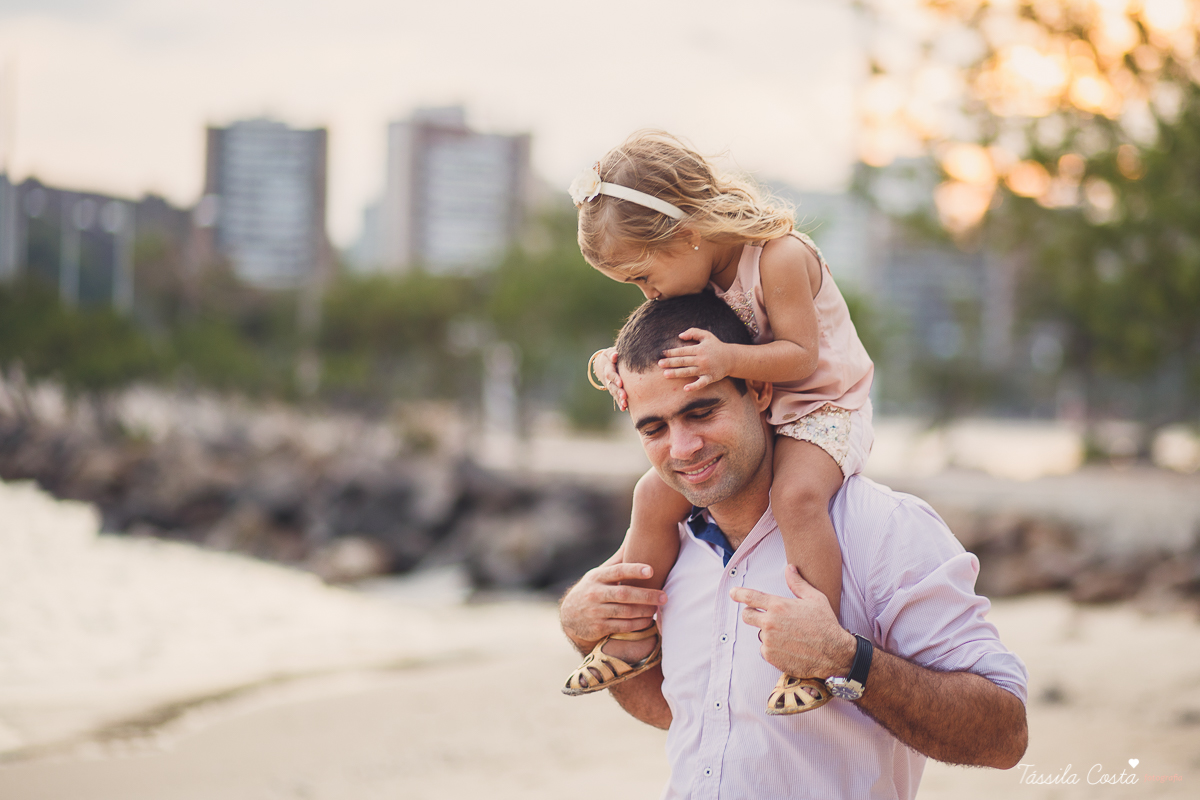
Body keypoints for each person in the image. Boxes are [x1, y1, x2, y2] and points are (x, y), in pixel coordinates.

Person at [559, 293, 1029, 799]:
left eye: (701, 411)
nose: (682, 447)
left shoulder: (883, 528)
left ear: (758, 390)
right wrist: (582, 630)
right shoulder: (661, 544)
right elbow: (689, 716)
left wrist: (849, 661)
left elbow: (1005, 736)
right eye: (654, 428)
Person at [564, 132, 875, 715]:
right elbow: (652, 339)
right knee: (652, 496)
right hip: (759, 407)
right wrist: (612, 364)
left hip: (823, 407)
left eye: (642, 276)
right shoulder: (692, 270)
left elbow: (802, 357)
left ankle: (813, 644)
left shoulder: (779, 257)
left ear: (684, 234)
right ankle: (632, 637)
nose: (646, 292)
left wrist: (726, 361)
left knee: (797, 495)